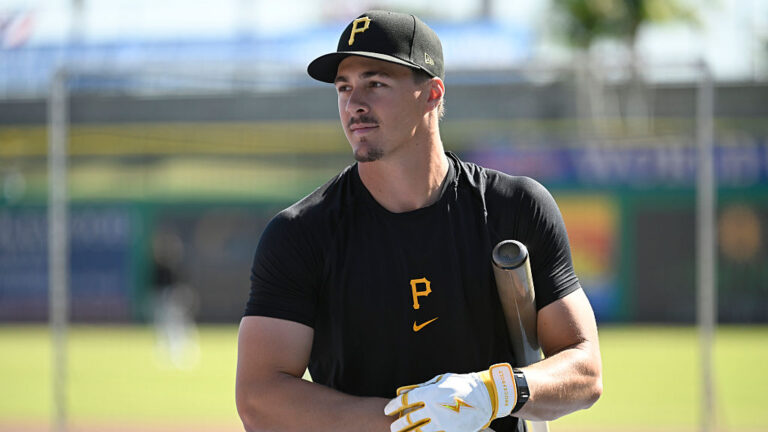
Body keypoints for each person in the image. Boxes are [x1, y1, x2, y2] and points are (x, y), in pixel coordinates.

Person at [236, 10, 602, 432]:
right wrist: (411, 422)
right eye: (344, 87)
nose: (354, 103)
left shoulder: (515, 207)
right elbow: (259, 398)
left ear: (432, 94)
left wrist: (492, 392)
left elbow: (585, 368)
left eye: (375, 84)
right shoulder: (300, 234)